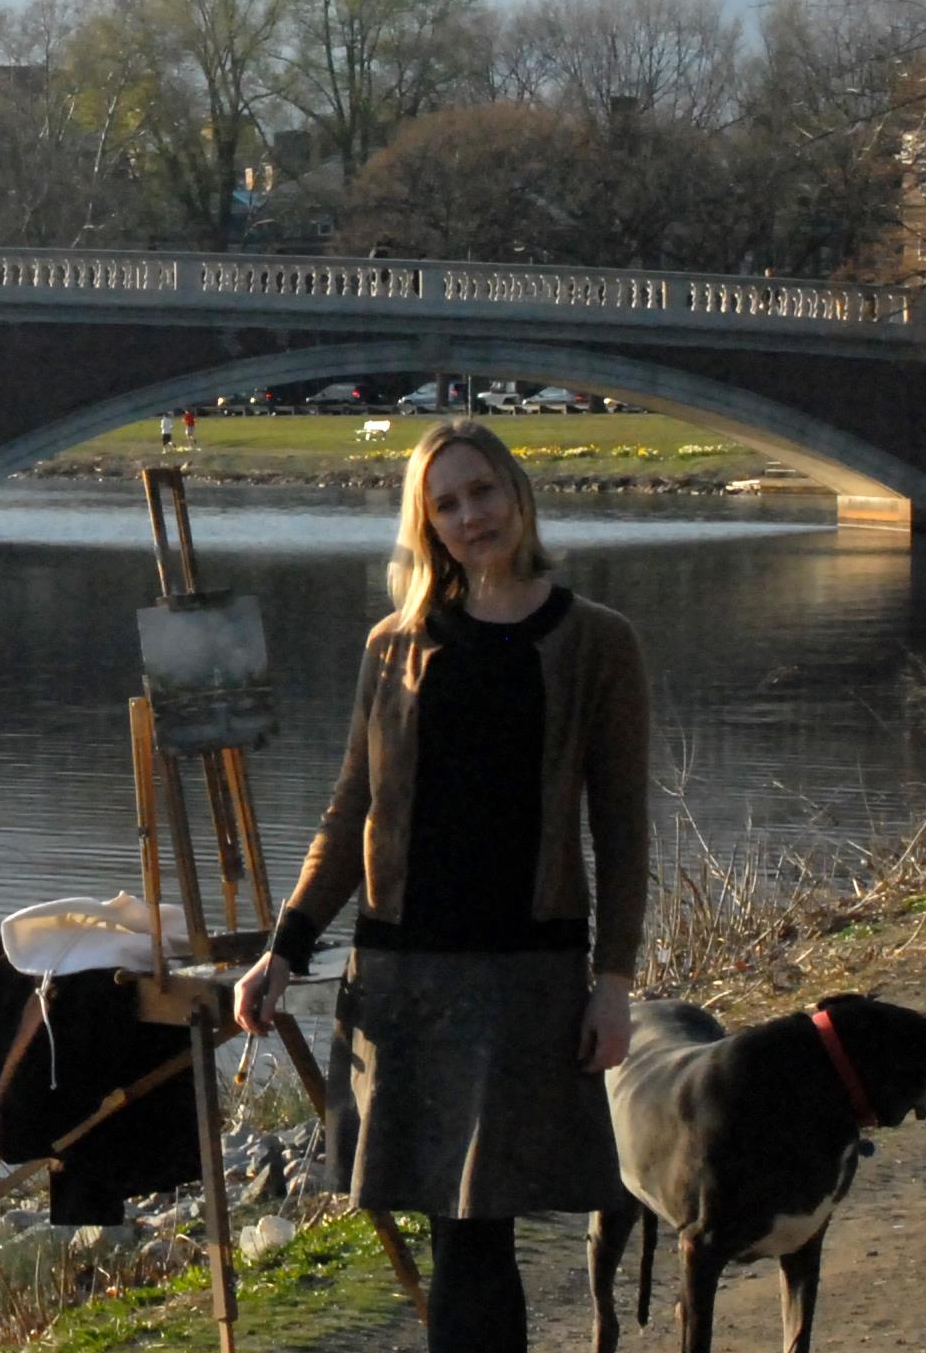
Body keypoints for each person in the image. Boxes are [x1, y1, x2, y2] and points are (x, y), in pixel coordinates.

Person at [233, 418, 650, 1353]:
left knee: (482, 1232)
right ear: (426, 526)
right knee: (452, 1234)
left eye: (483, 492)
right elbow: (351, 814)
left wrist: (613, 981)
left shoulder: (598, 643)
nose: (471, 517)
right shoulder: (395, 645)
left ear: (517, 494)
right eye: (447, 504)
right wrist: (283, 948)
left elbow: (621, 830)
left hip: (525, 977)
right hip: (404, 975)